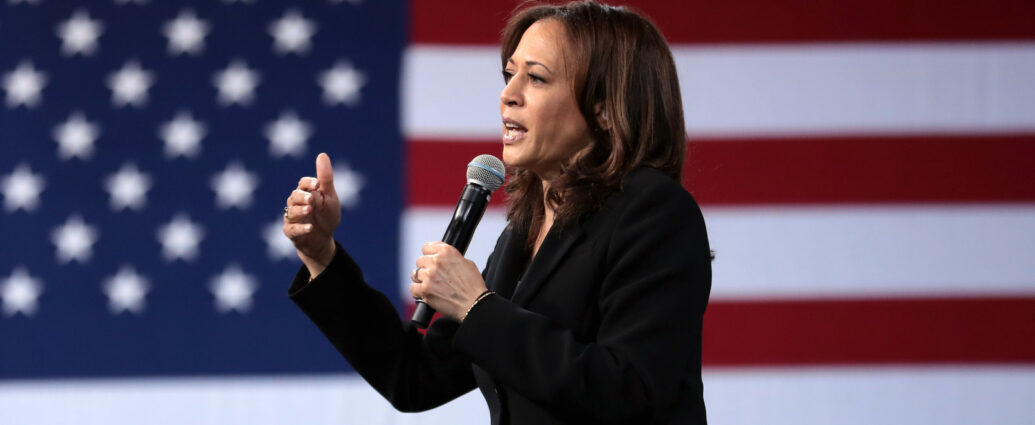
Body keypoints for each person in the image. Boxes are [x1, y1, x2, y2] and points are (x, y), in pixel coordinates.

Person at [282, 1, 711, 424]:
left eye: (537, 79)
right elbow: (415, 376)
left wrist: (475, 306)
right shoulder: (525, 229)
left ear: (603, 106)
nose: (508, 95)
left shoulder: (655, 213)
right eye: (509, 75)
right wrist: (322, 255)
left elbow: (628, 388)